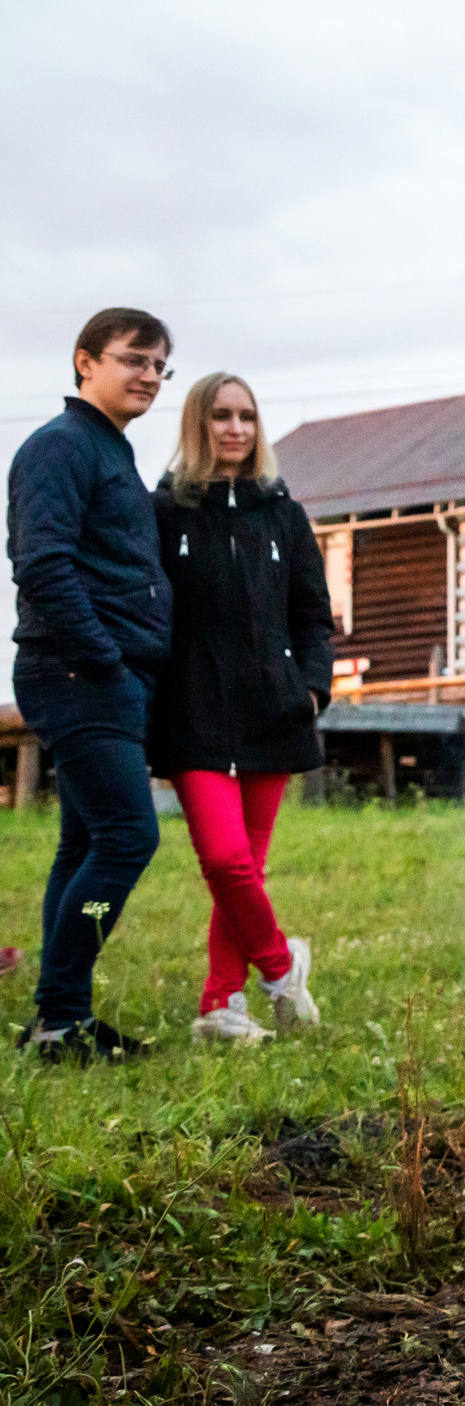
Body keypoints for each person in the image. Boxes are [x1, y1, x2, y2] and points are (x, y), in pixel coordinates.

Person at [6, 309, 174, 1062]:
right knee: (128, 837)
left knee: (84, 844)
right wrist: (105, 659)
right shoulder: (62, 446)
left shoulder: (111, 450)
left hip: (104, 674)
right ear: (85, 361)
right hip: (79, 674)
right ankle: (61, 1015)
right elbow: (42, 562)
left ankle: (59, 1020)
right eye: (134, 359)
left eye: (159, 365)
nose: (149, 376)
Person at [151, 373, 329, 1043]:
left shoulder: (284, 514)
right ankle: (283, 969)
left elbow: (313, 615)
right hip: (191, 712)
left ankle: (221, 1003)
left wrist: (311, 688)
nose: (235, 429)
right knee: (226, 861)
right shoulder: (163, 512)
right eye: (221, 416)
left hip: (272, 712)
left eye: (246, 417)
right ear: (198, 424)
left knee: (246, 867)